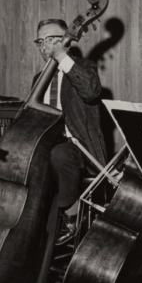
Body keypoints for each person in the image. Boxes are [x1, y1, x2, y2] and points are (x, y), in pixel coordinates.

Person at [33, 19, 107, 245]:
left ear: (65, 41)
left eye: (51, 39)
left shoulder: (83, 67)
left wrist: (62, 58)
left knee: (61, 154)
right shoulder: (39, 79)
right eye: (41, 41)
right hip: (48, 148)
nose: (46, 46)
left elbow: (91, 93)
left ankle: (71, 215)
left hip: (79, 148)